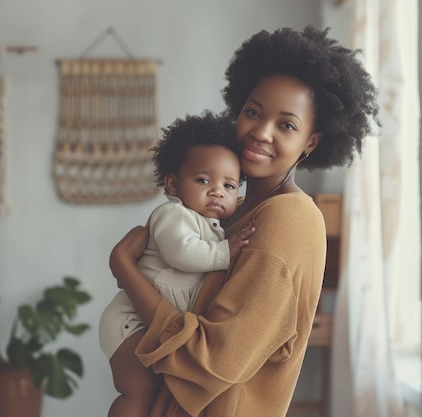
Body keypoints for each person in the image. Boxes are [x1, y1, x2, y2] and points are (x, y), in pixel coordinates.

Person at [109, 25, 379, 417]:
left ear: (311, 143)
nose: (261, 132)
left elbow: (215, 360)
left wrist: (124, 271)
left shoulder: (290, 220)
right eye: (253, 112)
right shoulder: (228, 212)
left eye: (286, 125)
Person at [99, 111, 255, 417]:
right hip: (130, 322)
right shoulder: (173, 216)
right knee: (138, 390)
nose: (217, 191)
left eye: (229, 186)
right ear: (173, 184)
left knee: (154, 394)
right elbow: (182, 253)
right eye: (203, 180)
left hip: (150, 324)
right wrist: (225, 252)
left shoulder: (215, 227)